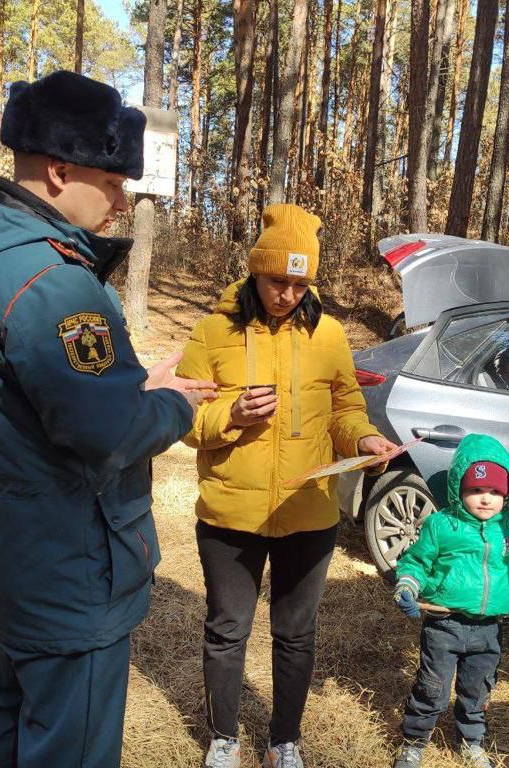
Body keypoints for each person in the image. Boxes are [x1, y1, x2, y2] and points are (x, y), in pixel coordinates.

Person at [0, 71, 216, 768]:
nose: (123, 201)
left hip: (18, 561)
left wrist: (128, 384)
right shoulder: (56, 285)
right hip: (72, 574)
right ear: (60, 171)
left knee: (9, 724)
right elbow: (109, 433)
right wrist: (173, 401)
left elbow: (37, 399)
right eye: (114, 181)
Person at [176, 203, 397, 768]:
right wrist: (231, 415)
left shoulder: (329, 334)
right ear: (255, 272)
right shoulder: (212, 331)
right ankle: (224, 738)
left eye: (301, 284)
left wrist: (363, 441)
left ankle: (284, 741)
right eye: (278, 281)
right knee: (228, 631)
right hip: (231, 516)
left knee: (296, 635)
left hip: (309, 512)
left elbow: (345, 409)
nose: (288, 294)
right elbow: (183, 420)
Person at [390, 433, 509, 768]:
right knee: (432, 687)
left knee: (477, 688)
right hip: (444, 625)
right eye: (476, 490)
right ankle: (414, 742)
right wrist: (407, 586)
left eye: (494, 491)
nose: (485, 499)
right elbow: (416, 562)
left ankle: (471, 741)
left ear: (506, 494)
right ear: (459, 489)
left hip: (489, 629)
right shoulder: (441, 525)